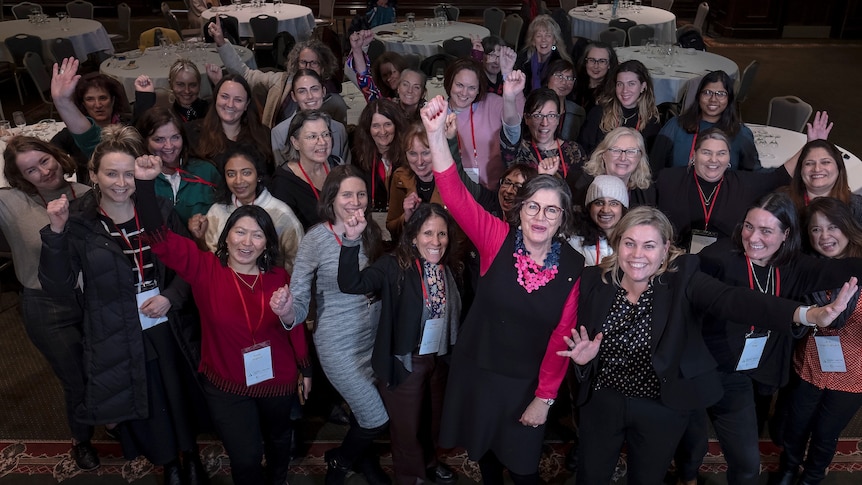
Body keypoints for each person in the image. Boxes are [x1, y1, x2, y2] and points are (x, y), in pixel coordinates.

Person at [556, 205, 858, 485]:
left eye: (649, 245)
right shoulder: (594, 281)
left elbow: (737, 301)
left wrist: (809, 314)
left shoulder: (682, 280)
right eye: (629, 243)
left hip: (660, 406)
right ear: (618, 244)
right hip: (602, 401)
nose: (638, 254)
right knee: (590, 478)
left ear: (665, 250)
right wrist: (582, 364)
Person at [422, 94, 585, 483]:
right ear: (520, 209)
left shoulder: (575, 267)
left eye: (551, 210)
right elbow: (455, 194)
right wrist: (435, 136)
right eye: (533, 206)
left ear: (562, 219)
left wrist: (544, 400)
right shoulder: (496, 238)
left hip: (526, 383)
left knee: (524, 467)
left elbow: (562, 338)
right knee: (485, 457)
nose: (540, 217)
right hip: (479, 371)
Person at [39, 126, 207, 484]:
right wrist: (55, 233)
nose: (121, 182)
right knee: (147, 399)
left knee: (180, 392)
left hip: (166, 320)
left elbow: (190, 266)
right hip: (118, 326)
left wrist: (170, 298)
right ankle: (170, 463)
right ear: (93, 175)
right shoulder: (79, 220)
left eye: (129, 174)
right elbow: (58, 287)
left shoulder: (157, 208)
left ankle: (190, 454)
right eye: (111, 173)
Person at [131, 154, 312, 485]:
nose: (246, 242)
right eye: (239, 232)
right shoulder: (205, 269)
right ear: (226, 235)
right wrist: (143, 183)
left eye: (256, 235)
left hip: (278, 379)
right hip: (227, 383)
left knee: (279, 443)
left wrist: (306, 368)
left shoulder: (278, 277)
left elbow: (294, 324)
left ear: (267, 242)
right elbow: (157, 236)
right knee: (244, 458)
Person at [672, 192, 862, 485]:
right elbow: (738, 302)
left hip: (742, 376)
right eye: (749, 226)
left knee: (748, 465)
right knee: (691, 450)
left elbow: (840, 269)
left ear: (786, 234)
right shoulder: (715, 259)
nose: (753, 237)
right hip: (701, 369)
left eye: (766, 230)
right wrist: (809, 314)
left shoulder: (794, 266)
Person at [282, 165, 390, 485]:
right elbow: (299, 303)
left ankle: (364, 460)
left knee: (363, 410)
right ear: (331, 199)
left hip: (373, 335)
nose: (355, 201)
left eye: (361, 194)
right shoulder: (316, 238)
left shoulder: (373, 232)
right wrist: (288, 311)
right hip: (337, 343)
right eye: (347, 194)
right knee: (375, 417)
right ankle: (340, 460)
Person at [339, 202, 461, 485]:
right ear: (414, 235)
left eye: (441, 234)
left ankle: (429, 463)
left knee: (432, 423)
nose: (436, 241)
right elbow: (351, 283)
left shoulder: (449, 266)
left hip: (437, 359)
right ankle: (411, 477)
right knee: (407, 429)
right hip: (406, 361)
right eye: (428, 233)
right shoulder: (393, 265)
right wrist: (351, 241)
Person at [1, 137, 94, 470]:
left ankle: (113, 421)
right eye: (30, 170)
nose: (43, 171)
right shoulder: (10, 203)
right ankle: (81, 439)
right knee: (76, 378)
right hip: (46, 307)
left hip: (93, 300)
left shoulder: (87, 193)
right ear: (20, 177)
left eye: (44, 160)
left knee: (102, 367)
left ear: (55, 154)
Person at [772, 198, 862, 485]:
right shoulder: (804, 270)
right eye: (815, 230)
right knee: (795, 427)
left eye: (832, 227)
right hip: (808, 367)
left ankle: (811, 478)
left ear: (848, 227)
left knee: (826, 433)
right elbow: (790, 317)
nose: (825, 237)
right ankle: (787, 470)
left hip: (853, 375)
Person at [655, 127, 814, 253]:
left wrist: (810, 144)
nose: (714, 160)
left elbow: (779, 177)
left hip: (725, 264)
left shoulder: (744, 183)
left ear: (729, 157)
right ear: (694, 154)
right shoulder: (667, 179)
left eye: (721, 153)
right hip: (675, 259)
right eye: (706, 152)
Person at [210, 17, 347, 126]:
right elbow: (246, 74)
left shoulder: (335, 102)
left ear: (323, 67)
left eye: (314, 63)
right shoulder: (280, 82)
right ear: (296, 64)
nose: (308, 67)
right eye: (303, 62)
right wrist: (222, 44)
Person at [189, 145, 304, 275]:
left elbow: (297, 265)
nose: (238, 180)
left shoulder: (282, 215)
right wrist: (199, 239)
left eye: (246, 173)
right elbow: (210, 260)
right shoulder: (217, 212)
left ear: (258, 175)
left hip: (272, 290)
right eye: (231, 174)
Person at [650, 70, 761, 173]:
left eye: (721, 94)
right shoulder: (675, 126)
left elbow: (752, 175)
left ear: (729, 99)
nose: (713, 99)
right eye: (707, 93)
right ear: (698, 96)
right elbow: (654, 168)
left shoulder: (740, 133)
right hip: (677, 191)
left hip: (723, 193)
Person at [446, 57, 524, 191]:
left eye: (472, 87)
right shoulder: (438, 112)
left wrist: (509, 94)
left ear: (478, 89)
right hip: (452, 189)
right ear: (449, 83)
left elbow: (514, 127)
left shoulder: (491, 103)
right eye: (459, 85)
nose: (464, 93)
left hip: (491, 191)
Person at [135, 105, 219, 226]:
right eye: (159, 139)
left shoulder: (206, 171)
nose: (169, 146)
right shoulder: (138, 177)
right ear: (145, 141)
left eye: (175, 137)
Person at [500, 73, 586, 179]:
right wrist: (509, 98)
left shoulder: (574, 151)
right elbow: (511, 129)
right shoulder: (519, 150)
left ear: (558, 118)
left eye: (551, 115)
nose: (544, 123)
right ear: (527, 118)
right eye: (537, 115)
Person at [270, 110, 346, 230]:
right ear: (295, 143)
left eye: (326, 134)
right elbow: (286, 233)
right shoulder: (283, 183)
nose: (322, 142)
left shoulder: (338, 166)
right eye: (312, 136)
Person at [186, 73, 274, 173]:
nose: (230, 104)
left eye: (238, 100)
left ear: (246, 104)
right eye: (224, 97)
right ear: (215, 98)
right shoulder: (193, 133)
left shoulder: (263, 135)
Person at [51, 72, 129, 182]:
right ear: (83, 104)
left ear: (113, 100)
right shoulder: (71, 134)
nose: (97, 105)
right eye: (90, 99)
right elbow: (49, 152)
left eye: (103, 98)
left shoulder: (127, 129)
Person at [269, 69, 351, 166]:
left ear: (323, 92)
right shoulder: (279, 133)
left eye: (314, 89)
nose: (310, 96)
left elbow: (346, 171)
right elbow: (281, 174)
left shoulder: (338, 129)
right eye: (302, 91)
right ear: (294, 96)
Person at [579, 60, 661, 155]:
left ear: (643, 86)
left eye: (631, 84)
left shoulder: (651, 121)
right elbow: (583, 152)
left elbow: (652, 162)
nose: (625, 90)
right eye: (620, 84)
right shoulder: (598, 113)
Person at [569, 126, 655, 210]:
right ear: (603, 154)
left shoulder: (647, 193)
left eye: (631, 152)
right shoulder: (579, 185)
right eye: (616, 150)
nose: (623, 158)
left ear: (640, 157)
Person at [786, 136, 862, 222]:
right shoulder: (784, 202)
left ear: (839, 167)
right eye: (809, 163)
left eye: (825, 162)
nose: (817, 169)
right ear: (800, 169)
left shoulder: (856, 207)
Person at [353, 99, 408, 211]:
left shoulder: (409, 153)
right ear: (368, 129)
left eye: (387, 124)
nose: (382, 132)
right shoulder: (358, 156)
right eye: (376, 126)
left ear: (397, 125)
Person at [568, 175, 628, 266]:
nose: (606, 210)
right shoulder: (574, 241)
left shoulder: (634, 241)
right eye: (599, 203)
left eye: (613, 203)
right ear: (589, 207)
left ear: (622, 209)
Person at [133, 60, 210, 123]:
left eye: (192, 85)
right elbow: (138, 131)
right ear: (171, 84)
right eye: (180, 85)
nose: (187, 91)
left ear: (199, 85)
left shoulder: (210, 109)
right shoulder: (167, 117)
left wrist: (217, 82)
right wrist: (144, 98)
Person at [515, 15, 571, 94]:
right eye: (539, 36)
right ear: (533, 41)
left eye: (548, 36)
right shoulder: (523, 60)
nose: (543, 40)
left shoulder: (560, 63)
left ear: (554, 40)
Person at [346, 31, 406, 102]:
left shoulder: (415, 93)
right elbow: (361, 77)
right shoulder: (381, 101)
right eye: (385, 75)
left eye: (392, 72)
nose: (389, 79)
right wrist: (358, 49)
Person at [545, 59, 586, 142]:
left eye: (569, 78)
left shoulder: (578, 113)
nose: (564, 82)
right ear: (548, 77)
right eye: (559, 76)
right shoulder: (535, 106)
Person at [572, 42, 618, 115]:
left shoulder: (613, 92)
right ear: (585, 62)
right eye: (592, 60)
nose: (596, 66)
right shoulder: (574, 83)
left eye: (602, 61)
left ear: (609, 65)